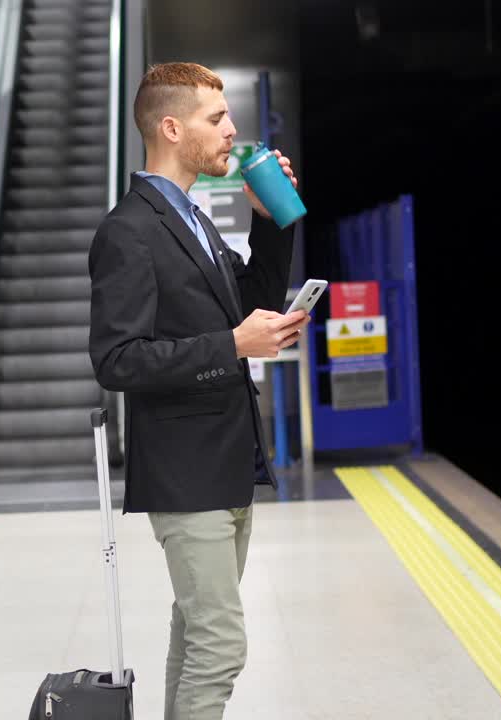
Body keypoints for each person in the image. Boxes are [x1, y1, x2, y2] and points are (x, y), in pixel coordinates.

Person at [87, 62, 307, 720]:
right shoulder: (128, 231)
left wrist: (269, 220)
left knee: (195, 631)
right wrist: (233, 346)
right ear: (171, 127)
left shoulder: (193, 221)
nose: (231, 132)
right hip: (185, 472)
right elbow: (118, 359)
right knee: (221, 644)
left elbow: (252, 300)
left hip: (226, 462)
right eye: (217, 120)